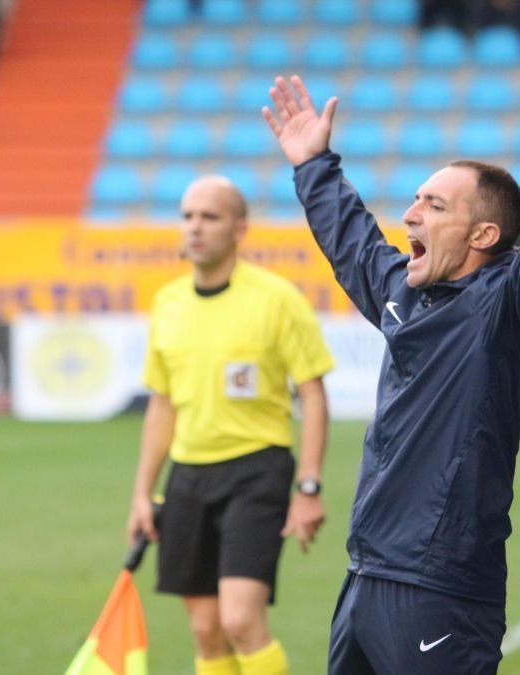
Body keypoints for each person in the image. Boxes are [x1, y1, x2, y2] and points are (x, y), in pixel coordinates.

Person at [262, 75, 520, 675]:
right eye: (417, 199)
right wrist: (313, 164)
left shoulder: (509, 309)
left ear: (483, 235)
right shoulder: (404, 292)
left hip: (441, 586)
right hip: (366, 575)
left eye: (435, 205)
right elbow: (353, 242)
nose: (410, 214)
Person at [125, 175, 335, 675]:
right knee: (206, 632)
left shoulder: (276, 298)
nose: (195, 227)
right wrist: (142, 492)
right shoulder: (168, 303)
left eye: (209, 217)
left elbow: (312, 393)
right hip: (188, 477)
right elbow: (162, 405)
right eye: (188, 216)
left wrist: (308, 486)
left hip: (256, 472)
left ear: (240, 228)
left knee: (241, 620)